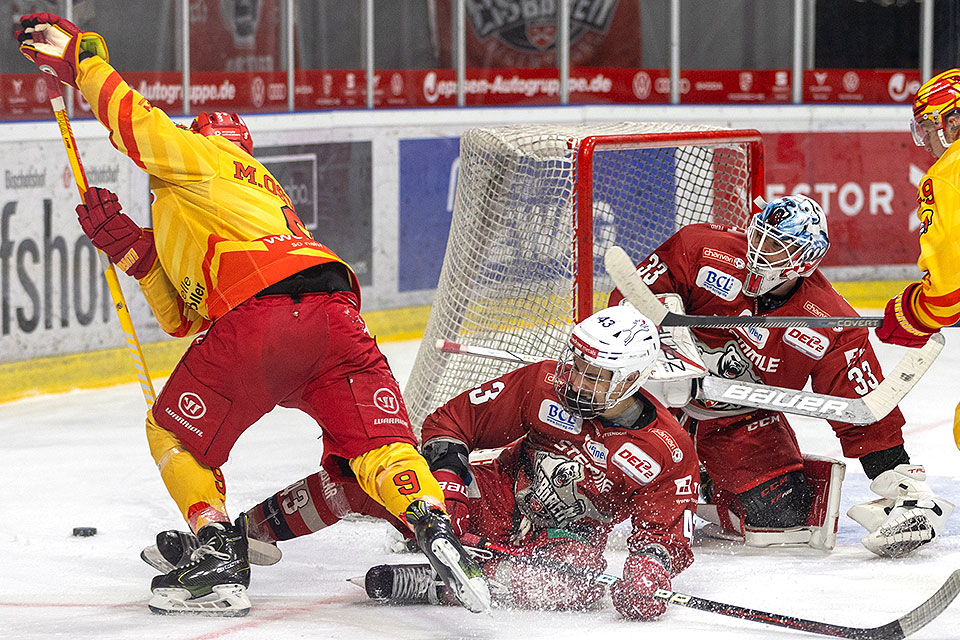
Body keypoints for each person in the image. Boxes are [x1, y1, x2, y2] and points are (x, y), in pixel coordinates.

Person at [15, 13, 489, 616]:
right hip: (337, 318)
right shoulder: (254, 197)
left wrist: (83, 61)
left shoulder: (201, 158)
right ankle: (432, 525)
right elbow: (187, 316)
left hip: (264, 319)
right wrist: (136, 252)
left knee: (172, 433)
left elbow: (135, 125)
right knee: (378, 445)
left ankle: (214, 555)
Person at [152, 306, 699, 619]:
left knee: (567, 587)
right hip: (494, 497)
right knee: (364, 475)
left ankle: (443, 578)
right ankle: (236, 539)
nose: (576, 378)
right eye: (577, 362)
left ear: (631, 380)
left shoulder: (668, 453)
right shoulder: (542, 383)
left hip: (561, 542)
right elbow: (448, 424)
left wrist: (649, 576)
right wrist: (448, 494)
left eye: (594, 374)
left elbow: (665, 539)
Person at [610, 194, 953, 558]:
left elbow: (861, 409)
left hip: (736, 420)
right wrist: (667, 349)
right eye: (758, 235)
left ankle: (708, 486)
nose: (757, 251)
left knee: (784, 514)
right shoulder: (700, 247)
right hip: (657, 407)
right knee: (597, 482)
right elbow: (630, 301)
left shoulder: (828, 322)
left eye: (775, 246)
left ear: (805, 260)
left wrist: (903, 487)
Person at [877, 68, 960, 443]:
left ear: (953, 120)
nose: (923, 139)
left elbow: (946, 296)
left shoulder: (946, 177)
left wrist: (911, 312)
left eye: (927, 126)